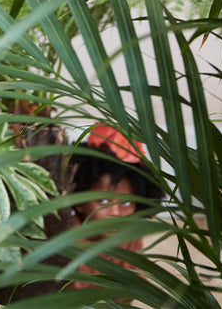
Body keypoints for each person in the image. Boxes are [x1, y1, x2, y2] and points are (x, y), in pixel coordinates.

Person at [67, 124, 164, 292]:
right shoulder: (66, 242)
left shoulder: (131, 241)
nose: (115, 213)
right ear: (79, 201)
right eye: (103, 201)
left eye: (126, 203)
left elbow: (128, 295)